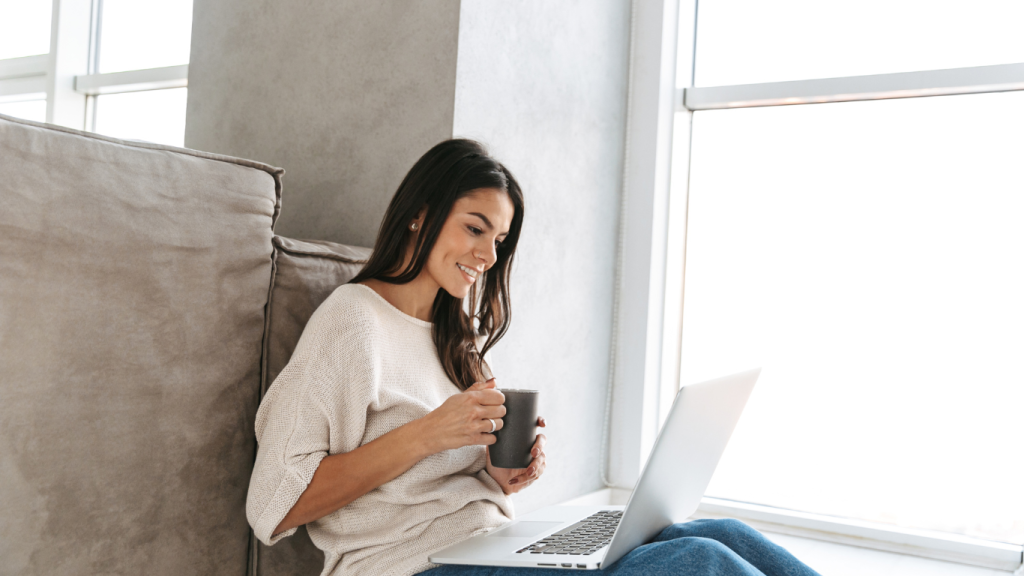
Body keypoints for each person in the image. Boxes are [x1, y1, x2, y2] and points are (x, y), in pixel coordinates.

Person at [246, 139, 822, 576]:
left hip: (490, 548)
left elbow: (453, 480)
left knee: (725, 533)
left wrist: (500, 473)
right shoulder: (354, 321)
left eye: (498, 240)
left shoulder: (455, 337)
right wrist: (427, 434)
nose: (486, 255)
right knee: (700, 561)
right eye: (475, 228)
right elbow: (276, 502)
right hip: (412, 567)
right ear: (420, 212)